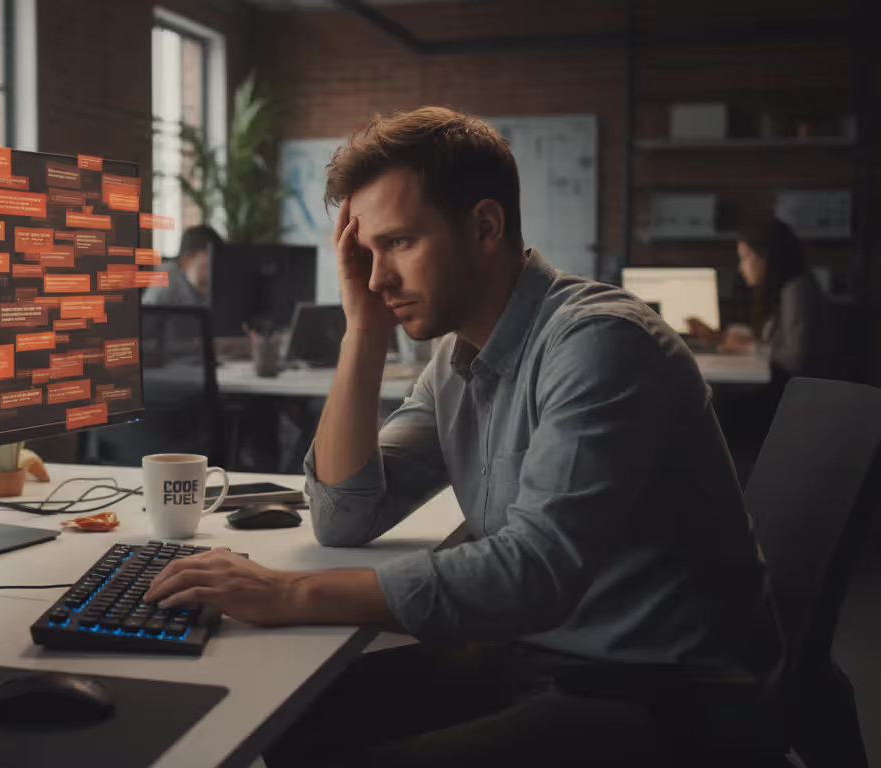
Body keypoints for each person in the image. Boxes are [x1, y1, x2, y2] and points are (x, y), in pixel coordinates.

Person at [146, 107, 781, 767]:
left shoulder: (600, 342)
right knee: (282, 720)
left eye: (399, 243)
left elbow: (534, 572)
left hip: (670, 697)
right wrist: (362, 334)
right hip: (538, 656)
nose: (377, 277)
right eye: (367, 253)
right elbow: (344, 514)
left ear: (484, 226)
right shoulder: (454, 359)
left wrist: (288, 591)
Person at [686, 216, 837, 381]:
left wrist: (747, 346)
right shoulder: (786, 288)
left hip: (801, 396)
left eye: (745, 257)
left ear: (766, 258)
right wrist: (720, 336)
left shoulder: (796, 290)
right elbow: (774, 341)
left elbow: (793, 359)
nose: (741, 267)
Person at [141, 224, 222, 307]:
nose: (214, 271)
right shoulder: (166, 284)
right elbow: (147, 316)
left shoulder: (218, 288)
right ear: (186, 262)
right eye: (206, 267)